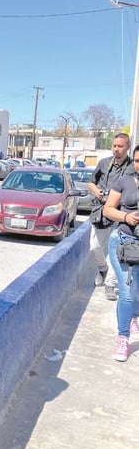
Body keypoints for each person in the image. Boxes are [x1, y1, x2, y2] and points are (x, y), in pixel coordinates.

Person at [103, 143, 139, 362]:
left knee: (137, 290)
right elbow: (108, 209)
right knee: (126, 293)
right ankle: (123, 339)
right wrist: (126, 217)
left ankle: (135, 316)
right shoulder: (124, 181)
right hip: (124, 244)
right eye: (136, 160)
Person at [88, 133, 131, 300]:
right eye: (114, 146)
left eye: (120, 146)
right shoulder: (104, 163)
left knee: (116, 249)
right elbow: (91, 182)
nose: (116, 149)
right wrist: (97, 192)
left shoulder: (131, 168)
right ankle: (102, 268)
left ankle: (110, 285)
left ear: (127, 147)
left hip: (122, 213)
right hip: (101, 211)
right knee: (94, 246)